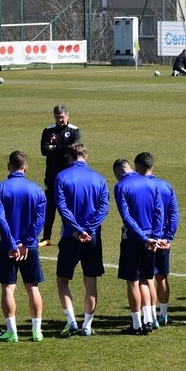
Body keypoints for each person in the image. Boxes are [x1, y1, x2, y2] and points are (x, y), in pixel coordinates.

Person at [0, 150, 47, 342]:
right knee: (33, 288)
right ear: (26, 167)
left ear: (9, 166)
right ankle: (37, 331)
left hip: (8, 246)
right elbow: (40, 221)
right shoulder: (37, 190)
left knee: (8, 289)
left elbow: (1, 218)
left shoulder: (0, 188)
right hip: (30, 247)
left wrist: (13, 244)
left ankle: (11, 331)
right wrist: (27, 242)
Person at [54, 143, 109, 337]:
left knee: (62, 279)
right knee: (91, 281)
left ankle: (71, 321)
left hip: (70, 236)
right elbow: (104, 208)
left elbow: (61, 206)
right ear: (86, 156)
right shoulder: (99, 178)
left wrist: (77, 230)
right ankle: (87, 325)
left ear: (69, 157)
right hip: (92, 237)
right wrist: (89, 229)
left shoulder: (62, 176)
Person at [112, 159, 162, 335]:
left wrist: (142, 238)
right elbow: (159, 212)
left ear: (118, 174)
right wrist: (154, 237)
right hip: (151, 238)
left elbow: (126, 217)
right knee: (146, 279)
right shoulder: (150, 182)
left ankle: (136, 324)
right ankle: (149, 320)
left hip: (133, 239)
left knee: (133, 281)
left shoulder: (121, 187)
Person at [136, 152, 178, 327]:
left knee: (147, 278)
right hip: (162, 239)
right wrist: (168, 237)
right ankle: (164, 314)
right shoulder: (166, 186)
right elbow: (173, 215)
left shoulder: (138, 187)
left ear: (138, 167)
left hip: (146, 239)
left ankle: (151, 316)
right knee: (162, 277)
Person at [39, 104, 81, 246]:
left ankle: (68, 234)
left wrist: (54, 148)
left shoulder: (74, 130)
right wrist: (63, 150)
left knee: (68, 205)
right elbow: (44, 150)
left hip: (69, 175)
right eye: (57, 117)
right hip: (51, 174)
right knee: (50, 205)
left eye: (62, 117)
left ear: (67, 116)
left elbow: (74, 150)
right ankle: (46, 237)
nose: (60, 119)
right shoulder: (48, 130)